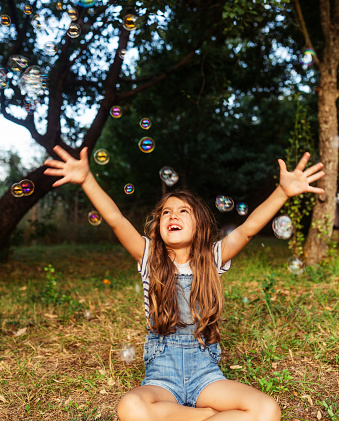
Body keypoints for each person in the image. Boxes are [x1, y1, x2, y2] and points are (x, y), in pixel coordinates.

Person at [44, 147, 324, 421]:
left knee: (267, 410)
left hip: (206, 376)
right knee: (130, 406)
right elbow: (116, 219)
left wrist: (283, 192)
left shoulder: (213, 257)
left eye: (183, 211)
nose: (173, 215)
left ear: (200, 226)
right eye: (166, 212)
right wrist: (86, 179)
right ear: (158, 225)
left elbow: (248, 229)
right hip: (162, 377)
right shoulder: (148, 256)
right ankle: (204, 416)